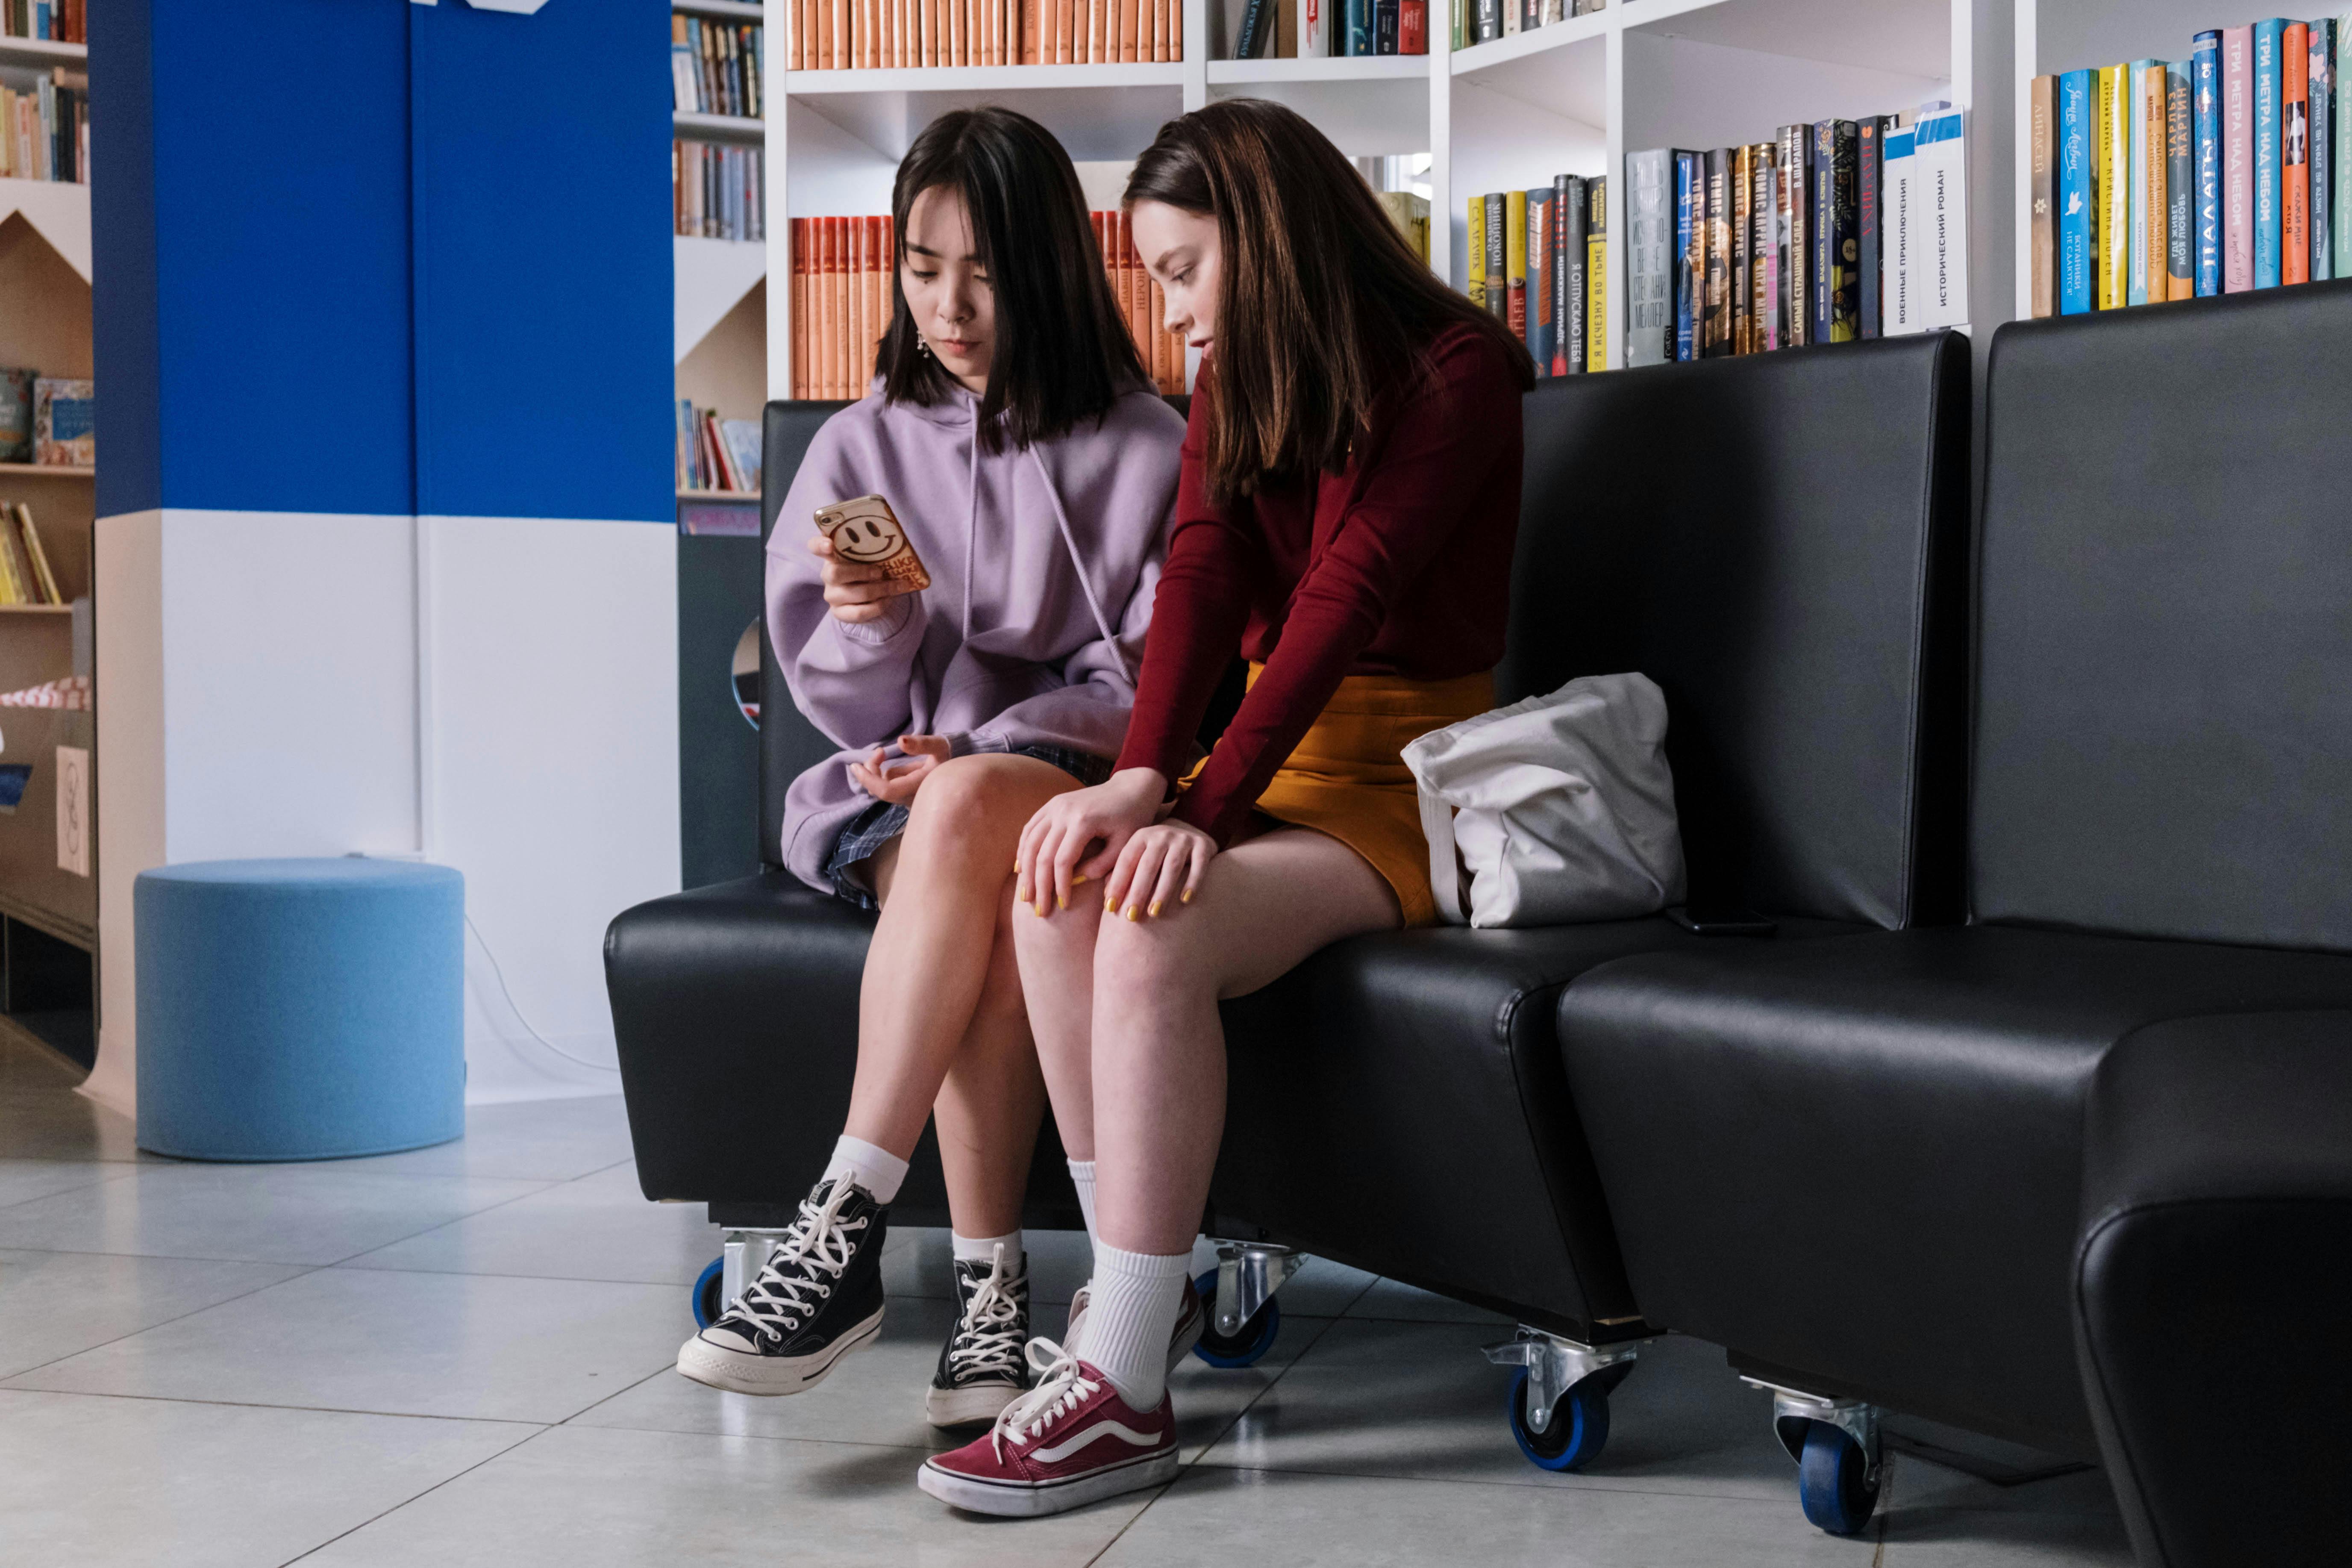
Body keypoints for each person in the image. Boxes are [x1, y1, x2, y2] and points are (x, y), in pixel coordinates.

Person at [917, 99, 1533, 1516]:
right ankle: (1138, 1303)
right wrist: (1142, 779)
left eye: (1186, 270)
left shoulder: (1457, 372)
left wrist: (1201, 804)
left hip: (1397, 784)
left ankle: (1123, 1391)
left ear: (1271, 241)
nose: (1174, 311)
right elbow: (1200, 575)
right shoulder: (1237, 383)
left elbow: (1345, 598)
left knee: (1149, 919)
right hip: (1266, 761)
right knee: (1064, 871)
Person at [675, 106, 1185, 1433]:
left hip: (1078, 778)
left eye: (986, 271)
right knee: (988, 887)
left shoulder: (1149, 447)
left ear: (1053, 269)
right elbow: (844, 701)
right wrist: (871, 623)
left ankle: (854, 1227)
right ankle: (985, 1299)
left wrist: (982, 746)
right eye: (920, 266)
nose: (948, 307)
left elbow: (1155, 691)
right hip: (903, 792)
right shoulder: (862, 445)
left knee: (979, 822)